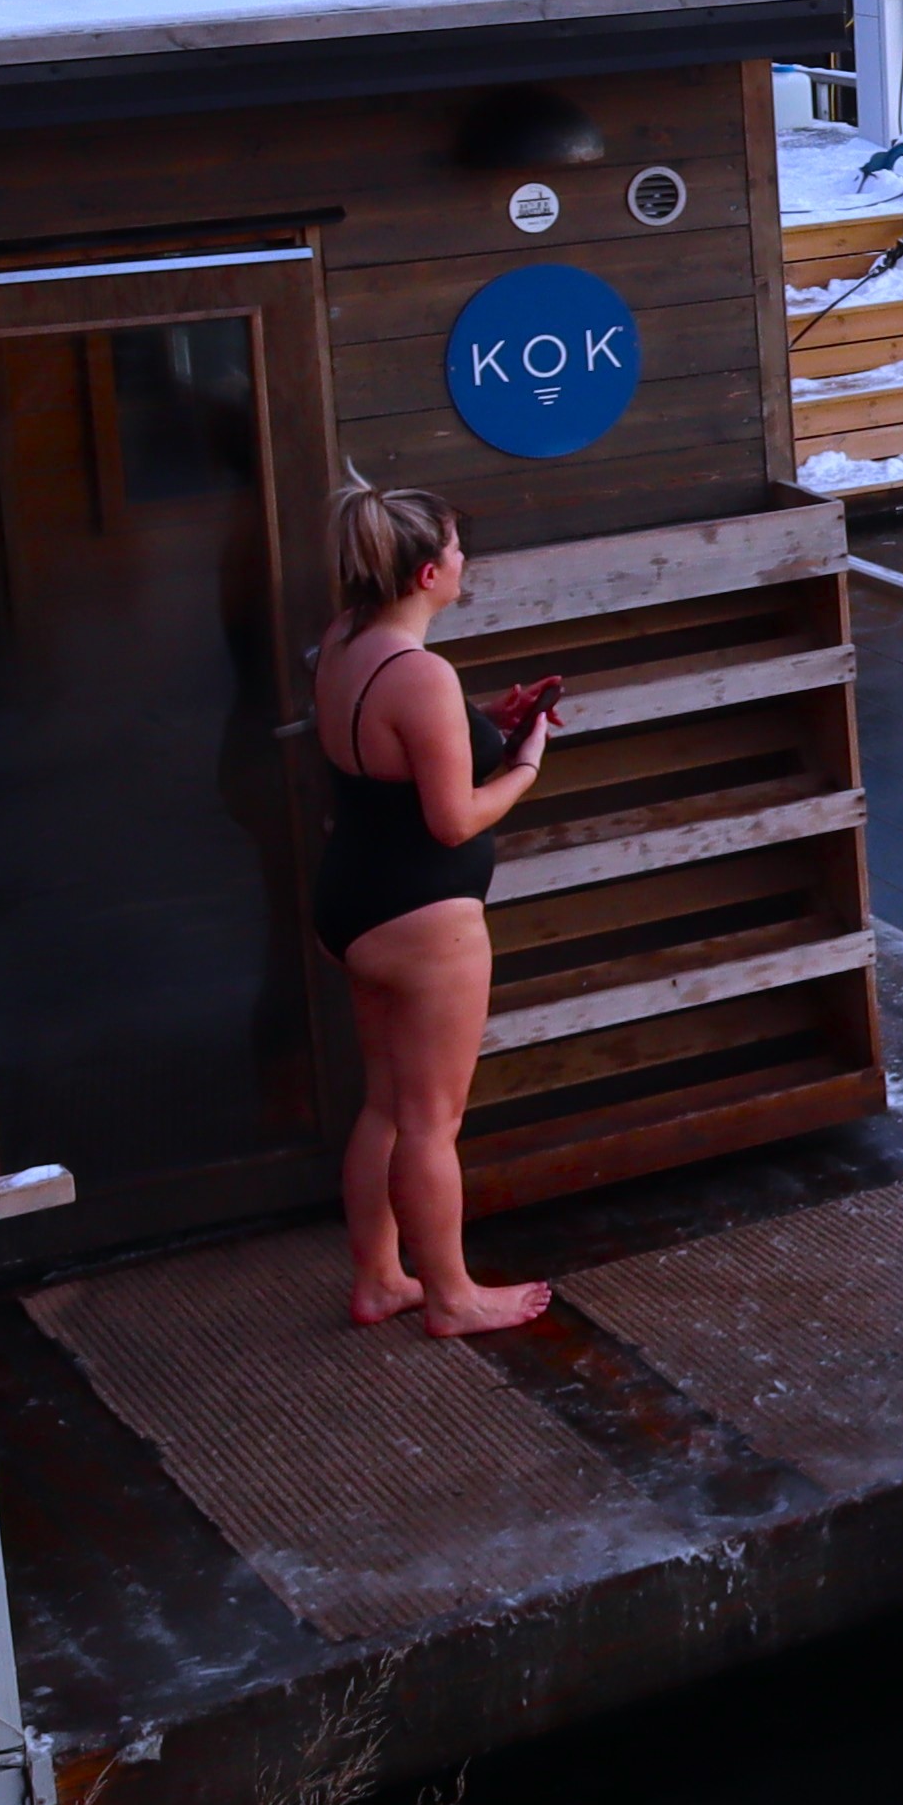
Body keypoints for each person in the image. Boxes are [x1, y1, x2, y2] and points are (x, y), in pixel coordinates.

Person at [310, 479, 568, 1334]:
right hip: (425, 917)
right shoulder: (422, 673)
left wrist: (482, 724)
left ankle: (380, 1278)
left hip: (352, 898)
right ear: (427, 573)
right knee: (430, 1120)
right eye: (457, 549)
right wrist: (522, 763)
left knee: (386, 1103)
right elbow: (452, 819)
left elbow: (393, 744)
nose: (466, 561)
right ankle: (452, 1296)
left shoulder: (344, 642)